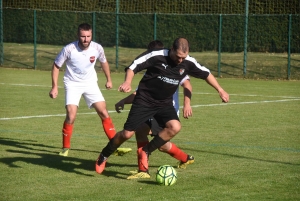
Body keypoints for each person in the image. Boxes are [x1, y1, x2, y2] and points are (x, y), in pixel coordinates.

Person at [95, 37, 229, 176]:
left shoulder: (188, 62)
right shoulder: (157, 55)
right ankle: (104, 155)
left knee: (175, 127)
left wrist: (220, 90)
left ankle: (146, 151)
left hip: (164, 103)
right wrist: (128, 82)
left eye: (184, 57)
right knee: (127, 134)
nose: (180, 61)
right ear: (171, 49)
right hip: (144, 100)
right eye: (178, 57)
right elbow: (133, 66)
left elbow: (206, 74)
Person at [115, 40, 195, 179]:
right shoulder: (153, 70)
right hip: (149, 107)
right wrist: (123, 101)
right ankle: (143, 170)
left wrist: (187, 103)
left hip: (164, 111)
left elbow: (187, 85)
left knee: (162, 145)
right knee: (141, 130)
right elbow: (139, 94)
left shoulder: (175, 65)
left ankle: (185, 158)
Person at [49, 23, 131, 157]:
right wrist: (54, 87)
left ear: (91, 35)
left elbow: (104, 62)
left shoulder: (97, 48)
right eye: (83, 36)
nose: (86, 39)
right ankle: (65, 148)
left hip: (90, 83)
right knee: (71, 115)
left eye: (88, 36)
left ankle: (114, 146)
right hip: (72, 84)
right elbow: (56, 65)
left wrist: (109, 79)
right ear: (78, 36)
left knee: (104, 112)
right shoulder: (69, 49)